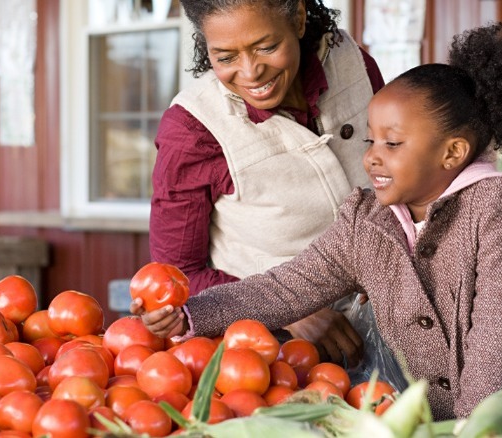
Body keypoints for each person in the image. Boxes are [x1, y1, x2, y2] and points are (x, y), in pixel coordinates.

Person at [135, 22, 502, 419]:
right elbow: (284, 288)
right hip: (463, 420)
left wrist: (475, 427)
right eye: (370, 140)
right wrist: (193, 314)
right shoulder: (366, 220)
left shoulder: (497, 211)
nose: (371, 157)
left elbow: (496, 344)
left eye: (392, 144)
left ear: (452, 153)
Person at [145, 0, 385, 365]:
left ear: (300, 20)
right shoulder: (192, 129)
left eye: (267, 47)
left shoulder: (353, 64)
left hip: (392, 320)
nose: (251, 72)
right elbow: (178, 276)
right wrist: (289, 309)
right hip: (272, 353)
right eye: (225, 57)